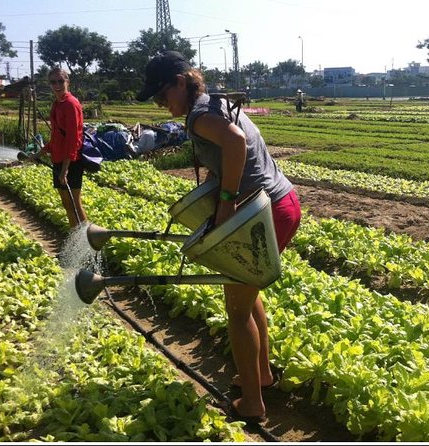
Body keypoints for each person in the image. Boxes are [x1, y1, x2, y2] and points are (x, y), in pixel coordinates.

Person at [136, 51, 301, 423]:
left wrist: (226, 202)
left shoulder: (198, 115)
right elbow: (232, 153)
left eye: (163, 95)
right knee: (247, 291)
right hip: (283, 202)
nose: (163, 104)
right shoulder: (217, 102)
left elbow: (235, 142)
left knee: (237, 307)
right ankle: (262, 375)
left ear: (180, 82)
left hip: (263, 212)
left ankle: (253, 404)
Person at [31, 67, 87, 228]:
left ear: (67, 82)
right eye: (53, 82)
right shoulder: (57, 104)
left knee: (74, 203)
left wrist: (65, 168)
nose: (57, 85)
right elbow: (57, 136)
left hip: (71, 161)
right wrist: (40, 153)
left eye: (60, 81)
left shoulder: (70, 104)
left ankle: (87, 243)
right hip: (59, 159)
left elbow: (73, 138)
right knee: (66, 203)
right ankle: (74, 239)